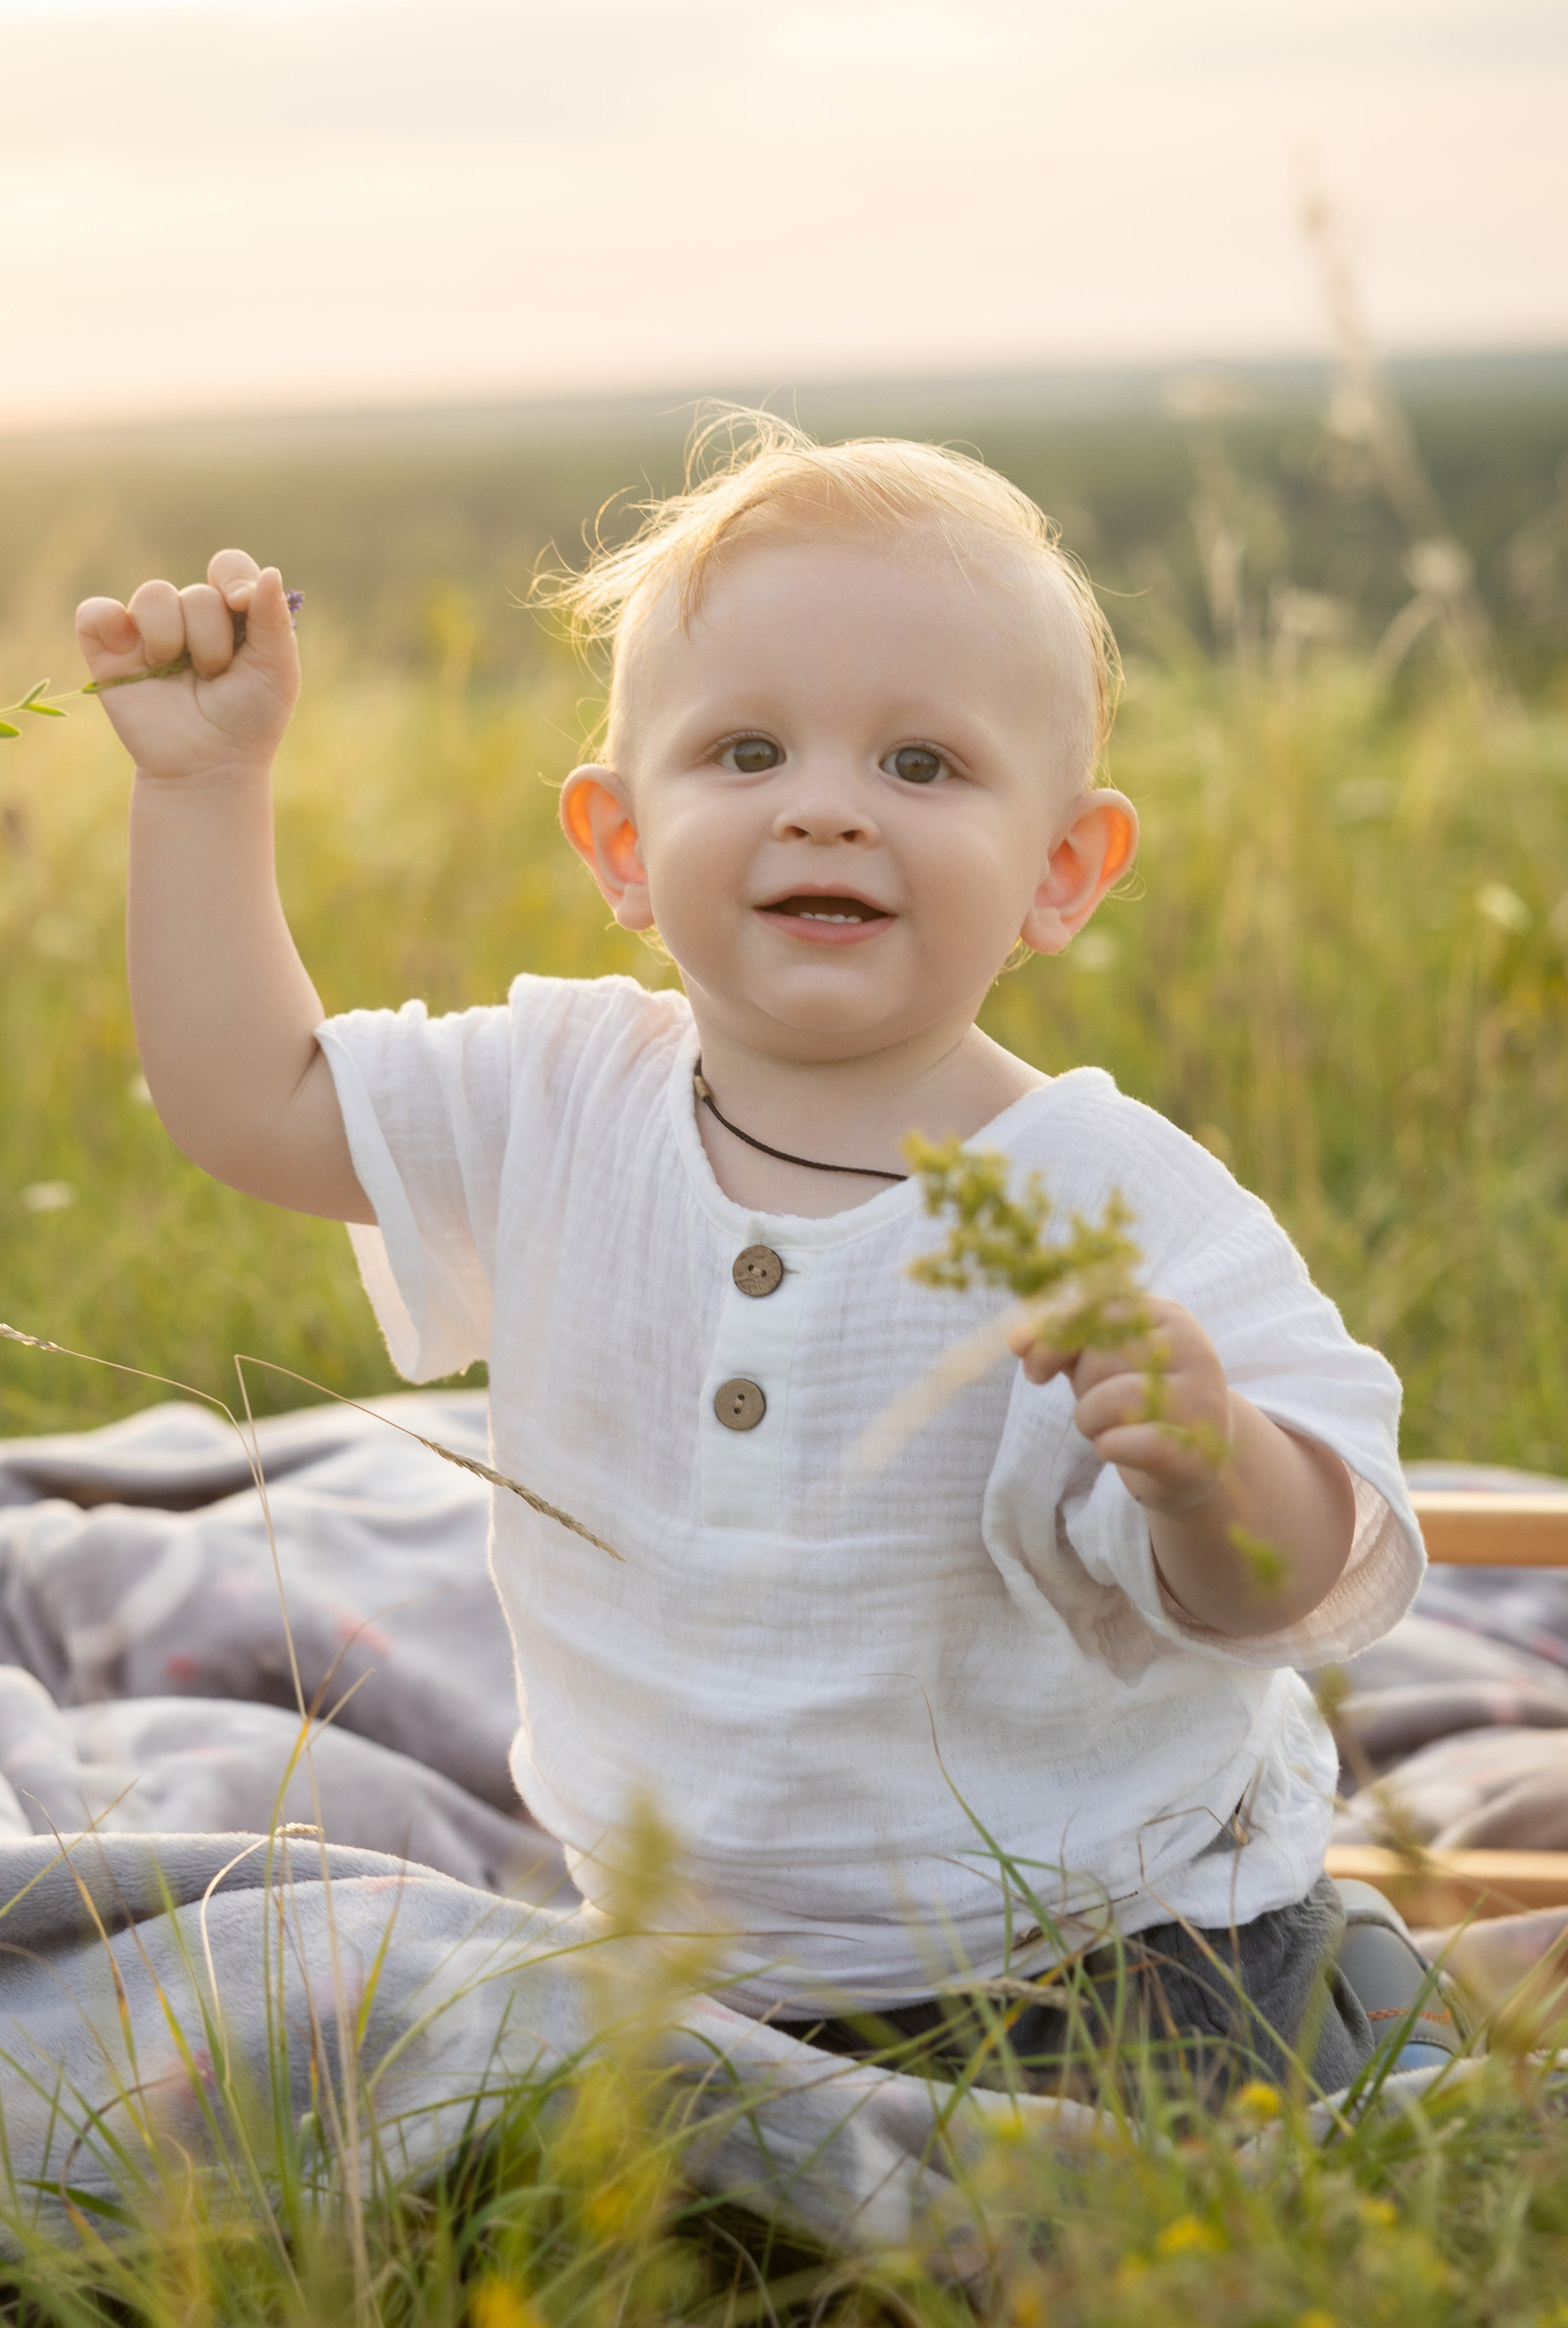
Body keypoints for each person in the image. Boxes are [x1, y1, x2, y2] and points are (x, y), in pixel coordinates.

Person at [77, 414, 1422, 2097]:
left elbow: (1299, 1585)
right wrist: (205, 788)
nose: (830, 814)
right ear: (621, 849)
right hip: (678, 1966)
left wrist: (1212, 1464)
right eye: (747, 754)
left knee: (1072, 2223)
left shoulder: (1111, 1202)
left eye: (921, 765)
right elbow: (252, 1102)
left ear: (1061, 874)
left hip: (1109, 1959)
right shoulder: (557, 1095)